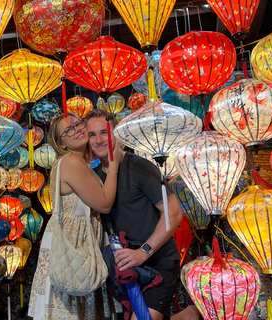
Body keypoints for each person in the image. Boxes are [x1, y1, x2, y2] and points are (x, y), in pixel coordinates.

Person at [85, 109, 201, 320]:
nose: (99, 140)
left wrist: (143, 252)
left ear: (116, 135)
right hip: (124, 264)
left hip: (157, 260)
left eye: (104, 132)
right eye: (92, 134)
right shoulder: (93, 178)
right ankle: (188, 316)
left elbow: (174, 213)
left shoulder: (139, 166)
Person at [28, 113, 122, 320]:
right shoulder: (71, 161)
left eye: (78, 124)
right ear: (61, 141)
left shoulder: (78, 162)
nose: (78, 129)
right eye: (68, 130)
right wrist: (113, 166)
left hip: (76, 241)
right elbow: (104, 204)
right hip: (73, 245)